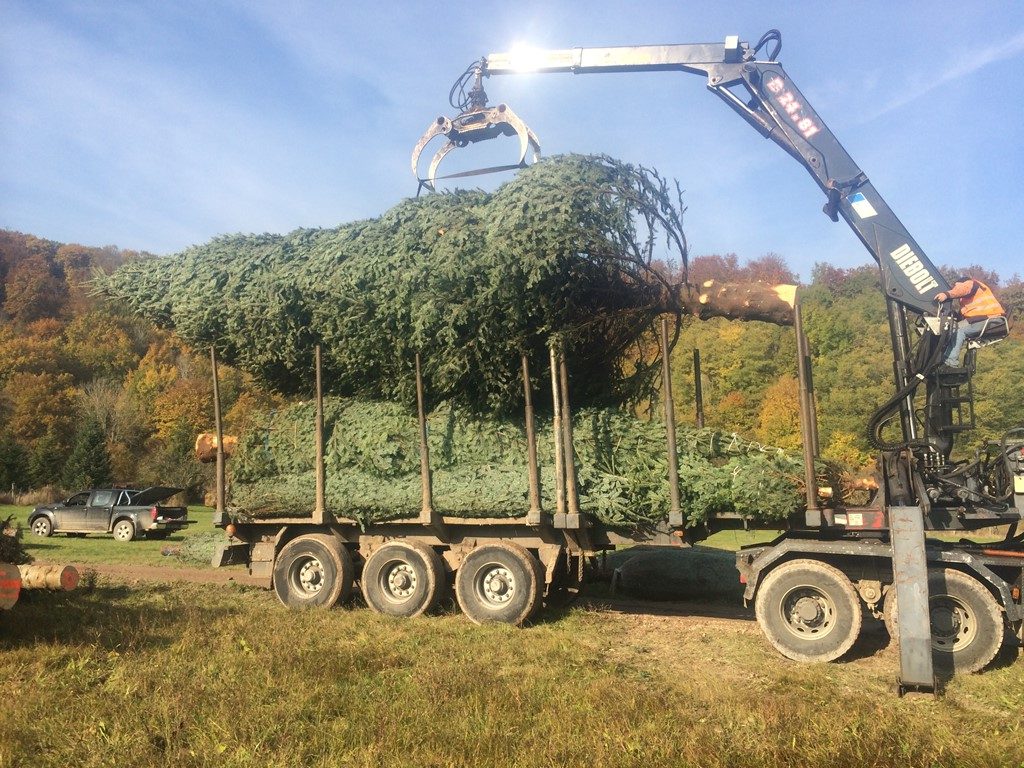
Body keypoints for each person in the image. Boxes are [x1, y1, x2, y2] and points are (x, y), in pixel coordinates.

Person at [935, 275, 1007, 368]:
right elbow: (963, 318)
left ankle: (950, 362)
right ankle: (946, 359)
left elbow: (963, 289)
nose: (955, 288)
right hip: (986, 319)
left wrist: (947, 294)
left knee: (959, 331)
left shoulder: (970, 284)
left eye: (956, 286)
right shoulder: (970, 299)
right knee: (955, 328)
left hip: (992, 319)